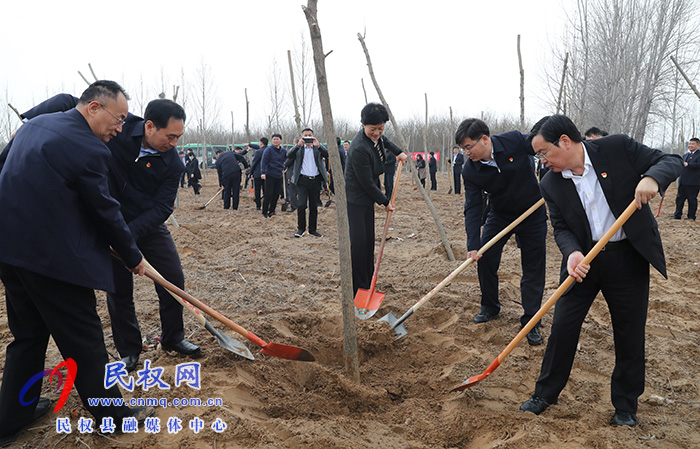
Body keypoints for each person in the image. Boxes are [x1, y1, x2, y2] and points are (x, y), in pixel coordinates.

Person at [0, 80, 153, 445]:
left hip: (10, 251)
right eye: (117, 119)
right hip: (53, 261)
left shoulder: (34, 126)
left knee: (28, 336)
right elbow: (106, 211)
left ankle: (9, 421)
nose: (119, 128)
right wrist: (133, 257)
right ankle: (114, 418)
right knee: (84, 342)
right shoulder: (88, 149)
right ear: (93, 108)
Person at [520, 114, 682, 427]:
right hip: (584, 263)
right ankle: (546, 393)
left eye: (543, 153)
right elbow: (561, 226)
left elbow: (670, 160)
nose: (542, 161)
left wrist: (652, 179)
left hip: (627, 258)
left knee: (629, 332)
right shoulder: (551, 182)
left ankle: (625, 405)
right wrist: (572, 253)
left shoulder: (617, 148)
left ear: (565, 141)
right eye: (537, 156)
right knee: (563, 327)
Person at [22, 95, 203, 371]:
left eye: (178, 137)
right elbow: (69, 100)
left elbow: (162, 207)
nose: (174, 143)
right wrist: (28, 121)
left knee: (172, 277)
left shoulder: (173, 164)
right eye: (170, 136)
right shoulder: (118, 127)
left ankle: (172, 337)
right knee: (119, 288)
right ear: (150, 126)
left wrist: (127, 235)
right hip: (108, 220)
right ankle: (129, 349)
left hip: (147, 226)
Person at [455, 118, 547, 346]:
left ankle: (531, 320)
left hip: (532, 212)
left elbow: (539, 148)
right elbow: (473, 207)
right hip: (501, 214)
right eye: (462, 149)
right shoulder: (470, 170)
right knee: (485, 258)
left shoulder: (514, 140)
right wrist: (473, 245)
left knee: (533, 267)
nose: (467, 153)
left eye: (469, 147)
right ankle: (490, 306)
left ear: (484, 139)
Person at [345, 103, 408, 294]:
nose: (377, 133)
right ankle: (359, 287)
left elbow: (385, 141)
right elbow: (367, 183)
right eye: (373, 129)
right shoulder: (358, 149)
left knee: (369, 241)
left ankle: (368, 280)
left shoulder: (377, 136)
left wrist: (398, 152)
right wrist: (385, 201)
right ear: (363, 125)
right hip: (356, 198)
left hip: (367, 197)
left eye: (380, 128)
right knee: (359, 243)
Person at [287, 128, 329, 237]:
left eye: (310, 135)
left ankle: (312, 229)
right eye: (305, 135)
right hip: (302, 180)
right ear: (302, 137)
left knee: (313, 206)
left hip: (315, 180)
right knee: (301, 205)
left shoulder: (317, 148)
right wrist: (298, 145)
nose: (308, 137)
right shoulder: (299, 149)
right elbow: (289, 155)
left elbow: (327, 154)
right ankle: (301, 229)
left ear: (313, 136)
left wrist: (318, 145)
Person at [673, 137, 700, 220]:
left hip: (693, 182)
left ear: (698, 145)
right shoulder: (685, 155)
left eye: (693, 144)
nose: (690, 145)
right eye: (689, 144)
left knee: (691, 200)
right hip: (683, 181)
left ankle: (691, 216)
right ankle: (677, 215)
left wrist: (688, 165)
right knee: (679, 199)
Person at [261, 133, 287, 218]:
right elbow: (264, 162)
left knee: (276, 195)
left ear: (280, 141)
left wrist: (285, 167)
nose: (275, 141)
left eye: (277, 139)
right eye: (274, 139)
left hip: (279, 175)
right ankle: (264, 212)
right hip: (269, 174)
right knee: (268, 194)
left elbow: (288, 159)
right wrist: (263, 173)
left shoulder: (283, 151)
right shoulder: (268, 150)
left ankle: (272, 211)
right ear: (272, 141)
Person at [249, 137, 268, 210]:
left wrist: (251, 172)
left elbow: (255, 162)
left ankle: (258, 205)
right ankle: (266, 205)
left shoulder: (259, 152)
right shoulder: (270, 150)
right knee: (266, 190)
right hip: (268, 173)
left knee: (257, 190)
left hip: (258, 173)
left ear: (261, 143)